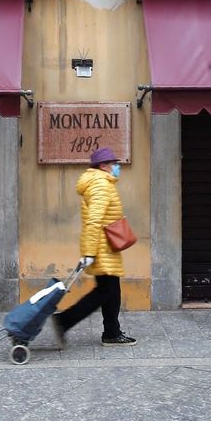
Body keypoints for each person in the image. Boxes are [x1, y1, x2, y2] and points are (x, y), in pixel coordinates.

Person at [52, 147, 137, 347]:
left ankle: (111, 332)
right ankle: (64, 320)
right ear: (103, 166)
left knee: (111, 291)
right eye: (114, 164)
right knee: (105, 292)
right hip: (101, 248)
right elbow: (94, 220)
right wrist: (89, 252)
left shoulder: (101, 182)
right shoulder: (100, 184)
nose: (117, 167)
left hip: (106, 247)